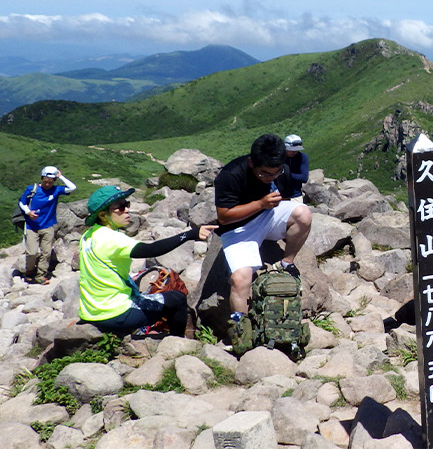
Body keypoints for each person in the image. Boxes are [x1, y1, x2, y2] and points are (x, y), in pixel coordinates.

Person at [213, 133, 312, 343]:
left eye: (275, 174)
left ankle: (287, 262)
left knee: (303, 214)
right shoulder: (231, 174)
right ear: (251, 162)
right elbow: (224, 216)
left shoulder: (280, 170)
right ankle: (242, 332)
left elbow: (284, 197)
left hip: (268, 216)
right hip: (239, 229)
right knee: (240, 280)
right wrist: (260, 204)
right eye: (264, 174)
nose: (270, 178)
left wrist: (270, 205)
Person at [79, 185, 214, 337]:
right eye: (120, 208)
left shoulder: (88, 236)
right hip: (115, 314)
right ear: (103, 215)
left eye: (127, 204)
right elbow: (151, 250)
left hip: (90, 311)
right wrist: (190, 234)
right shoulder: (112, 239)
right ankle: (178, 343)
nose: (127, 210)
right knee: (177, 299)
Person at [18, 165, 77, 284]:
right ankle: (29, 272)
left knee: (46, 252)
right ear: (42, 178)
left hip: (48, 225)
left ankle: (41, 275)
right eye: (45, 181)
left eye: (50, 182)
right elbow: (22, 202)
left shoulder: (56, 190)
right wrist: (28, 212)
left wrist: (61, 177)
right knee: (32, 252)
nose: (48, 184)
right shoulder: (32, 189)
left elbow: (73, 187)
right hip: (32, 226)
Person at [283, 134, 309, 202]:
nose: (295, 152)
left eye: (297, 150)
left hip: (296, 195)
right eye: (292, 150)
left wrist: (286, 174)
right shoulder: (279, 157)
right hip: (279, 194)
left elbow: (304, 178)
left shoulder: (302, 157)